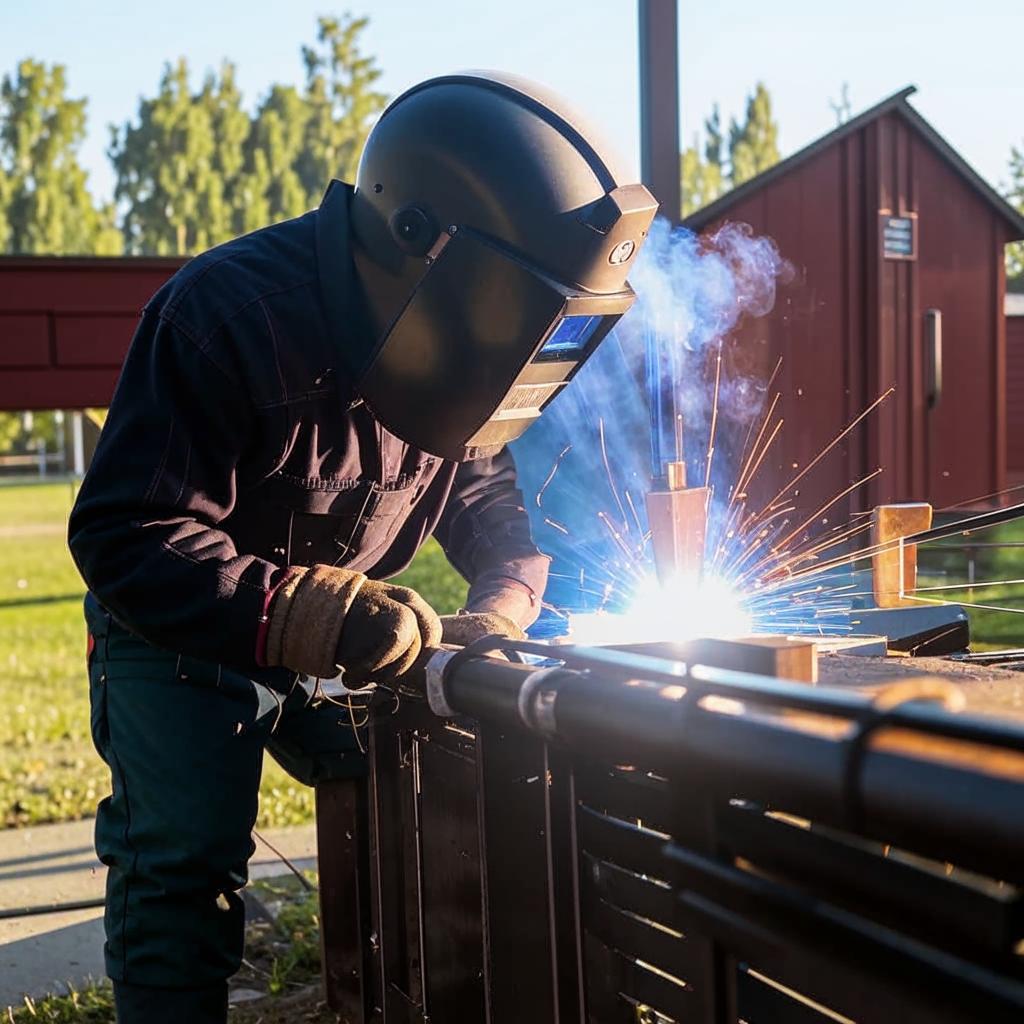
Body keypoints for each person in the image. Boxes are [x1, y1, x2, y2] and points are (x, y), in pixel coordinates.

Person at [68, 70, 656, 1023]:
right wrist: (300, 612)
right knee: (183, 861)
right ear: (421, 244)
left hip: (342, 635)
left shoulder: (459, 337)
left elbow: (481, 480)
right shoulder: (225, 316)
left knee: (413, 778)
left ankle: (373, 995)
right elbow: (125, 530)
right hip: (177, 627)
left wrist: (509, 588)